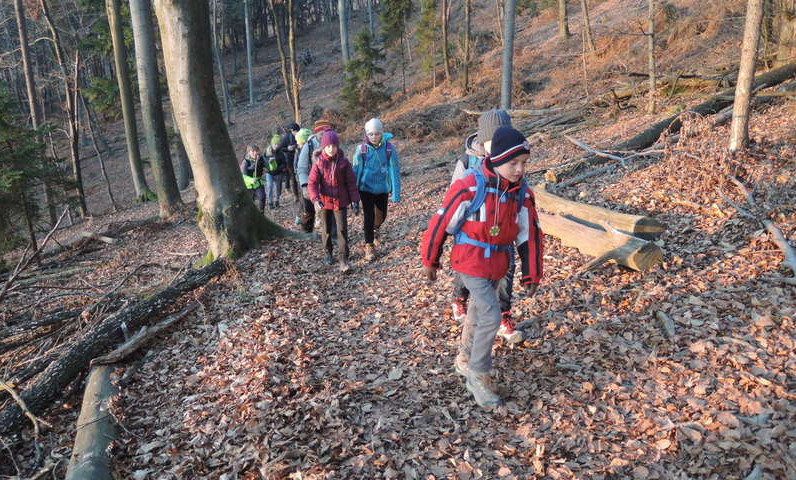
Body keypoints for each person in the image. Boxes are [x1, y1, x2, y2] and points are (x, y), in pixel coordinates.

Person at [420, 126, 543, 409]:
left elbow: (530, 234)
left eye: (524, 163)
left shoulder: (521, 194)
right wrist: (431, 259)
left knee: (477, 313)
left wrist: (531, 272)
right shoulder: (470, 186)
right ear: (496, 159)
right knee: (490, 315)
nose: (519, 170)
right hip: (470, 261)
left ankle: (464, 359)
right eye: (513, 163)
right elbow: (442, 222)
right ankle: (479, 375)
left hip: (498, 264)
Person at [450, 110, 523, 344]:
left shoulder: (513, 161)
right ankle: (459, 298)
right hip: (472, 234)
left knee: (506, 274)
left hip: (502, 234)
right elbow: (454, 199)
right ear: (483, 141)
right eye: (493, 140)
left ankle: (503, 316)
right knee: (468, 273)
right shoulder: (466, 162)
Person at [307, 130, 360, 272]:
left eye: (334, 146)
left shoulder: (344, 163)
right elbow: (312, 183)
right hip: (324, 202)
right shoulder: (318, 163)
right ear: (323, 147)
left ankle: (343, 259)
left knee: (342, 230)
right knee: (326, 230)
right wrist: (315, 198)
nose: (331, 149)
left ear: (338, 146)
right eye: (328, 146)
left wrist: (355, 201)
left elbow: (351, 183)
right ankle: (328, 252)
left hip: (340, 202)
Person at [352, 118, 401, 262]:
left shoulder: (389, 149)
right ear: (367, 134)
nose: (374, 136)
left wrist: (396, 193)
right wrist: (354, 193)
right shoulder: (361, 149)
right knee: (368, 216)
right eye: (371, 134)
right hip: (365, 188)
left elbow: (394, 170)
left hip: (382, 188)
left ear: (382, 133)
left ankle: (375, 228)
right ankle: (369, 245)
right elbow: (356, 171)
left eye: (377, 133)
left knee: (381, 215)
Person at [297, 118, 334, 233]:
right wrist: (304, 186)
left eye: (326, 133)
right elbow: (301, 168)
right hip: (310, 181)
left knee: (329, 209)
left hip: (328, 183)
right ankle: (306, 232)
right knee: (308, 210)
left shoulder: (333, 145)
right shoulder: (309, 145)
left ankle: (332, 235)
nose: (324, 136)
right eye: (321, 133)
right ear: (316, 133)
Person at [276, 122, 301, 203]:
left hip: (300, 157)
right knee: (293, 177)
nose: (297, 134)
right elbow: (280, 148)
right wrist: (288, 148)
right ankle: (296, 195)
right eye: (295, 132)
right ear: (292, 131)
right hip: (290, 160)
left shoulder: (300, 134)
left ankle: (302, 192)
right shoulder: (287, 137)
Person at [293, 128, 312, 224]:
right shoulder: (298, 151)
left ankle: (301, 217)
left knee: (307, 201)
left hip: (311, 179)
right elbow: (296, 166)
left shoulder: (310, 149)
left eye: (298, 141)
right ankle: (301, 218)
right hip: (302, 180)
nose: (297, 143)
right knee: (304, 201)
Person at [240, 144, 266, 213]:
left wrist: (271, 163)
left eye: (256, 151)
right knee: (250, 202)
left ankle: (261, 213)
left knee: (262, 197)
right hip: (249, 186)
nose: (255, 153)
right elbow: (243, 176)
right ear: (249, 152)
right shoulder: (245, 162)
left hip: (258, 183)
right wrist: (251, 180)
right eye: (253, 151)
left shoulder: (261, 159)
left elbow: (270, 168)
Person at [264, 134, 284, 209]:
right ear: (272, 144)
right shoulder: (266, 152)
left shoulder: (280, 152)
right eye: (275, 144)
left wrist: (279, 168)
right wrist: (267, 167)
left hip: (278, 172)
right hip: (269, 173)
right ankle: (270, 202)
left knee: (277, 187)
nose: (276, 145)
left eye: (278, 144)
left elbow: (284, 162)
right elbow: (263, 161)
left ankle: (277, 201)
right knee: (269, 186)